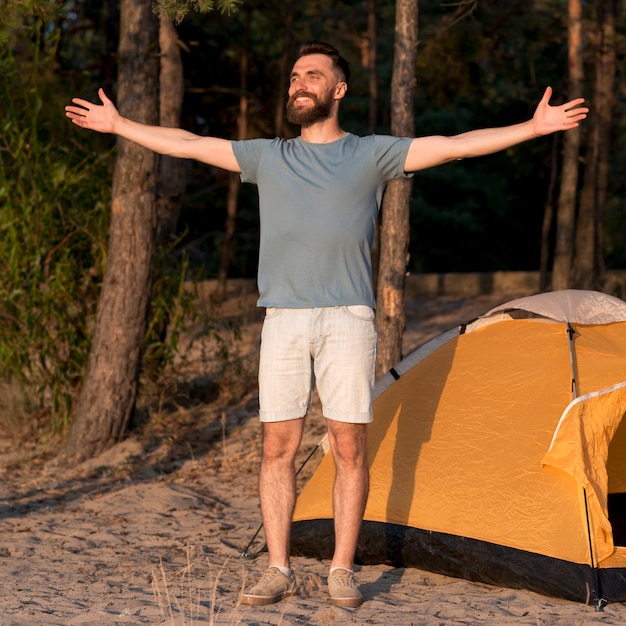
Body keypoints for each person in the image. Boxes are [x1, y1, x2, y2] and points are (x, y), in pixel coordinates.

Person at [65, 40, 588, 608]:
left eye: (312, 75)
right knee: (276, 448)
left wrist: (532, 130)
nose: (299, 83)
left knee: (348, 448)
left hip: (347, 318)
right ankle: (278, 568)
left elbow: (452, 145)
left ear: (338, 90)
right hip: (284, 318)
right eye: (294, 75)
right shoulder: (270, 156)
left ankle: (341, 571)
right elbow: (190, 144)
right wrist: (120, 125)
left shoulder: (370, 154)